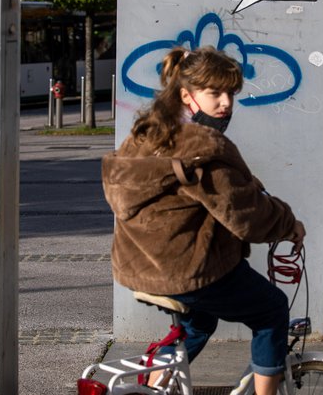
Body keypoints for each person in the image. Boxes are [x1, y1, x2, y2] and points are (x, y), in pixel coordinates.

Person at [101, 46, 306, 395]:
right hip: (187, 268)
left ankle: (154, 390)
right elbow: (244, 214)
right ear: (187, 95)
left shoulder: (146, 133)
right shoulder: (201, 145)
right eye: (215, 93)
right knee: (271, 310)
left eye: (231, 93)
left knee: (199, 324)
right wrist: (289, 225)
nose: (226, 102)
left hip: (141, 262)